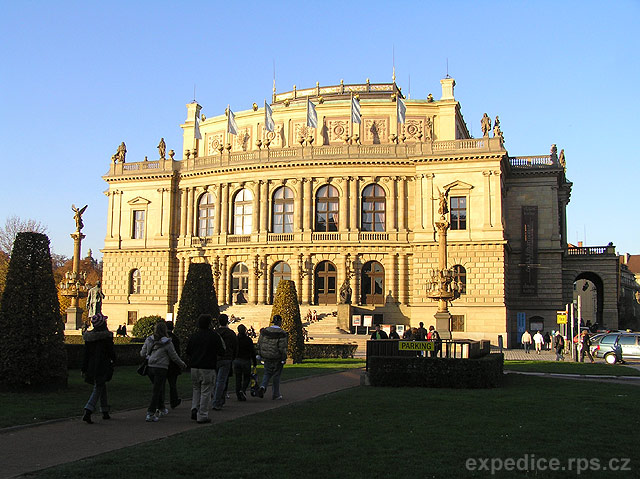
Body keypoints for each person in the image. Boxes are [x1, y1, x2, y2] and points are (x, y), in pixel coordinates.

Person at [140, 321, 186, 422]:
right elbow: (174, 356)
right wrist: (182, 364)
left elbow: (142, 353)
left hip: (150, 367)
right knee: (157, 390)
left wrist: (149, 354)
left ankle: (161, 408)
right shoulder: (167, 342)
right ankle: (150, 413)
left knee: (158, 389)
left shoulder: (149, 340)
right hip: (161, 368)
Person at [186, 314, 225, 423]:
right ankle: (202, 415)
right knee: (206, 391)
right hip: (208, 368)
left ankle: (194, 408)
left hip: (194, 367)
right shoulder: (214, 336)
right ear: (210, 324)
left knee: (196, 389)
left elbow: (188, 351)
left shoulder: (194, 336)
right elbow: (222, 351)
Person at [81, 313, 116, 424]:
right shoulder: (106, 337)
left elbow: (86, 354)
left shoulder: (89, 338)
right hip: (103, 365)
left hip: (92, 365)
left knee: (101, 386)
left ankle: (105, 411)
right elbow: (111, 352)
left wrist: (84, 368)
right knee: (99, 386)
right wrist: (114, 360)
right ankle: (88, 410)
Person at [257, 314, 288, 400]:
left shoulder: (265, 331)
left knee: (267, 373)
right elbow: (282, 347)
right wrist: (283, 358)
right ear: (280, 322)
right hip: (277, 357)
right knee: (276, 375)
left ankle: (263, 386)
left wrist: (260, 354)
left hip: (266, 357)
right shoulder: (282, 333)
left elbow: (260, 343)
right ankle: (276, 394)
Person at [212, 314, 238, 411]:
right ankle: (216, 402)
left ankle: (220, 400)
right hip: (226, 359)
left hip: (216, 359)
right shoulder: (231, 333)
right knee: (221, 381)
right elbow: (235, 346)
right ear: (227, 321)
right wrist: (233, 357)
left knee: (217, 381)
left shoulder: (214, 333)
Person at [233, 324, 257, 401]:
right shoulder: (248, 340)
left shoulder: (236, 339)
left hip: (237, 360)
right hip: (245, 360)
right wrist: (254, 362)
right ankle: (242, 390)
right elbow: (252, 351)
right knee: (246, 377)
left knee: (238, 378)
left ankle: (238, 394)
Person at [165, 321, 182, 409]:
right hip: (172, 365)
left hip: (162, 364)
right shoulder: (175, 338)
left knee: (160, 385)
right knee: (172, 384)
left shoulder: (161, 338)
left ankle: (159, 404)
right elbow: (177, 353)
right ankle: (174, 401)